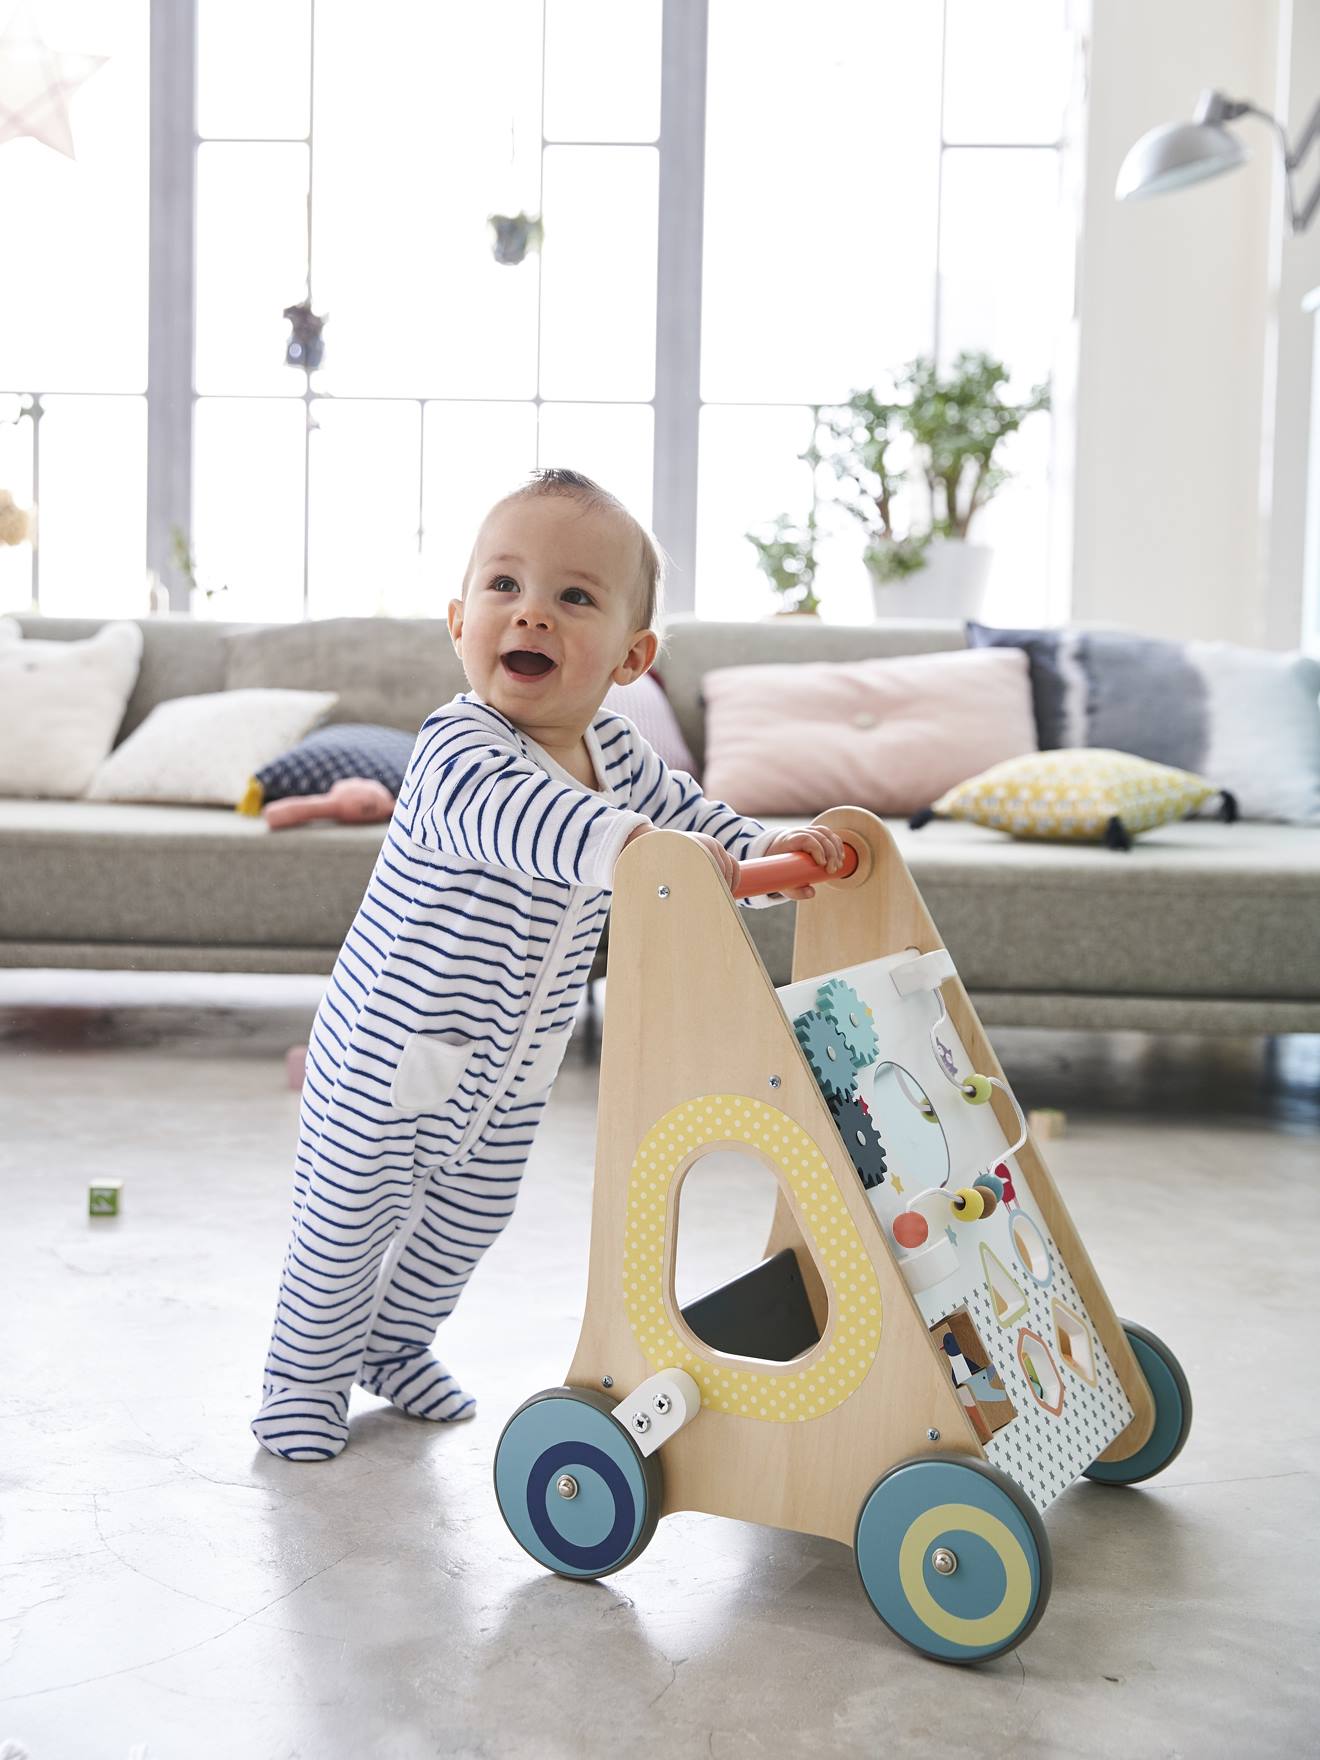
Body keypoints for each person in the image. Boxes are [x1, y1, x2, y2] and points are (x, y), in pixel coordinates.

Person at [252, 468, 846, 1461]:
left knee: (467, 1221)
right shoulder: (456, 747)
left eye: (574, 596)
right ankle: (299, 1380)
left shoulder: (621, 755)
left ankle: (397, 1347)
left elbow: (704, 831)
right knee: (348, 1221)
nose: (532, 611)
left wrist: (787, 858)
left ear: (631, 655)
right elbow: (536, 823)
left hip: (511, 1068)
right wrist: (635, 849)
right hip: (388, 1054)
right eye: (504, 586)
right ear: (458, 619)